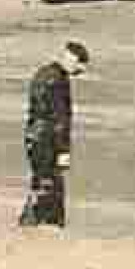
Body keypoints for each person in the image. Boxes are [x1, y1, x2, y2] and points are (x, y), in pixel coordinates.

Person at [18, 40, 90, 228]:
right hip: (46, 138)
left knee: (43, 180)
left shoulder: (43, 73)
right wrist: (63, 151)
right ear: (73, 60)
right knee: (49, 183)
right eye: (80, 66)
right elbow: (60, 120)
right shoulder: (59, 81)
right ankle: (37, 223)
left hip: (33, 134)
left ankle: (40, 223)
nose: (80, 71)